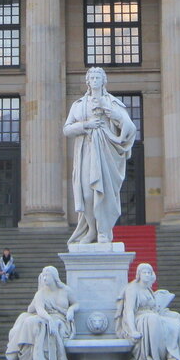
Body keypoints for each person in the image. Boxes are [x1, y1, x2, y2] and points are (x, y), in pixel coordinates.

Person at [64, 67, 137, 246]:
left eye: (98, 77)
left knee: (103, 194)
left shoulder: (112, 102)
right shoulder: (79, 104)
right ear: (87, 81)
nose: (95, 80)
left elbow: (129, 126)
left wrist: (113, 114)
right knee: (87, 194)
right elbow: (67, 129)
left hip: (106, 152)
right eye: (92, 78)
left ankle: (104, 231)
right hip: (86, 152)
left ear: (104, 81)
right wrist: (85, 125)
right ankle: (91, 230)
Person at [117, 262, 180, 360]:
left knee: (175, 319)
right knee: (153, 319)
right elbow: (129, 311)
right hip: (139, 318)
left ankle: (172, 356)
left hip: (153, 315)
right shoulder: (132, 289)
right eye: (144, 272)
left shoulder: (148, 289)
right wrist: (133, 331)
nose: (147, 275)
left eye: (149, 273)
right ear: (139, 274)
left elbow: (154, 307)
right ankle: (155, 359)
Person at [5, 265, 78, 360]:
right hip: (46, 317)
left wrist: (71, 309)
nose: (44, 278)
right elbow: (40, 310)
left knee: (32, 321)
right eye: (43, 276)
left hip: (61, 319)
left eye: (47, 275)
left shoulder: (65, 290)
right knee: (29, 321)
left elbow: (76, 303)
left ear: (54, 276)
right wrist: (49, 319)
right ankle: (26, 359)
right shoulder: (41, 293)